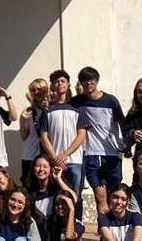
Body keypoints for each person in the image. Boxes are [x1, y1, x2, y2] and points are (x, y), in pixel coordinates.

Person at [72, 66, 125, 215]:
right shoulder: (77, 102)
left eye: (91, 80)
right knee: (100, 197)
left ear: (96, 81)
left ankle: (115, 229)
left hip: (112, 154)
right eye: (84, 81)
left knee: (114, 196)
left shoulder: (111, 101)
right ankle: (104, 231)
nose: (88, 84)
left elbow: (123, 123)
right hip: (92, 155)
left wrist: (126, 146)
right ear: (80, 84)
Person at [39, 70, 86, 199]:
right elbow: (43, 136)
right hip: (54, 162)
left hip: (74, 160)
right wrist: (55, 158)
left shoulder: (77, 109)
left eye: (63, 81)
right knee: (56, 196)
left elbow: (81, 134)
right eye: (56, 81)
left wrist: (66, 154)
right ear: (52, 86)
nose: (60, 83)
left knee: (75, 196)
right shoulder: (47, 110)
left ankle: (76, 219)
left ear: (68, 84)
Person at [27, 157, 81, 241]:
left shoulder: (56, 189)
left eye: (45, 166)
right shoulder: (29, 192)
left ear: (50, 170)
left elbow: (73, 198)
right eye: (38, 166)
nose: (41, 169)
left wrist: (58, 179)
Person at [20, 79, 50, 178]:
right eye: (33, 90)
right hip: (30, 155)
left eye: (39, 89)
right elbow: (24, 136)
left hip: (48, 155)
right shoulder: (29, 111)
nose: (36, 92)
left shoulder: (52, 109)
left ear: (45, 90)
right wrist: (22, 120)